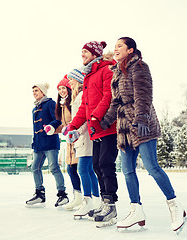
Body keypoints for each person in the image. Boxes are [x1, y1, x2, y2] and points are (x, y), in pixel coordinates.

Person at [100, 37, 187, 232]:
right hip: (124, 127)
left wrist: (141, 117)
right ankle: (136, 210)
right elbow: (116, 102)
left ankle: (175, 206)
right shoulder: (117, 72)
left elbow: (144, 94)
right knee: (127, 171)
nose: (115, 49)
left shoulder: (139, 66)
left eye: (120, 46)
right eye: (115, 47)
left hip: (142, 124)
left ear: (131, 49)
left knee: (152, 167)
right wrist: (105, 121)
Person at [65, 41, 118, 227]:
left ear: (95, 53)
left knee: (105, 164)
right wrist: (73, 125)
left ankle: (111, 204)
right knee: (96, 165)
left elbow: (108, 96)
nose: (82, 55)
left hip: (107, 126)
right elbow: (84, 108)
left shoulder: (106, 69)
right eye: (81, 53)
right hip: (95, 129)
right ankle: (104, 202)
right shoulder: (88, 76)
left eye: (85, 52)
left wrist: (95, 117)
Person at [26, 83, 69, 208]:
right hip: (39, 144)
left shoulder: (50, 103)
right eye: (33, 91)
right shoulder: (34, 109)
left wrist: (51, 126)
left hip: (50, 141)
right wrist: (34, 142)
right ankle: (40, 194)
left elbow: (58, 119)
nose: (34, 93)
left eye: (36, 90)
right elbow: (35, 128)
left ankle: (62, 194)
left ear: (43, 92)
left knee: (53, 167)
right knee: (35, 167)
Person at [65, 68, 101, 218]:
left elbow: (84, 118)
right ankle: (95, 200)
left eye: (71, 79)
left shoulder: (80, 96)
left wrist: (77, 132)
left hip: (85, 138)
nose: (70, 82)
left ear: (78, 80)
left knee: (83, 169)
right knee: (88, 170)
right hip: (82, 137)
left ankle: (88, 201)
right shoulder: (77, 97)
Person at [54, 76, 82, 210]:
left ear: (69, 89)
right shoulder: (62, 105)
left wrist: (69, 128)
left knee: (81, 169)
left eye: (63, 88)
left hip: (78, 139)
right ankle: (78, 196)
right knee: (71, 170)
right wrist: (53, 129)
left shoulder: (72, 102)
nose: (61, 91)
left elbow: (76, 119)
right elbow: (63, 125)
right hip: (69, 142)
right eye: (59, 89)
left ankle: (87, 197)